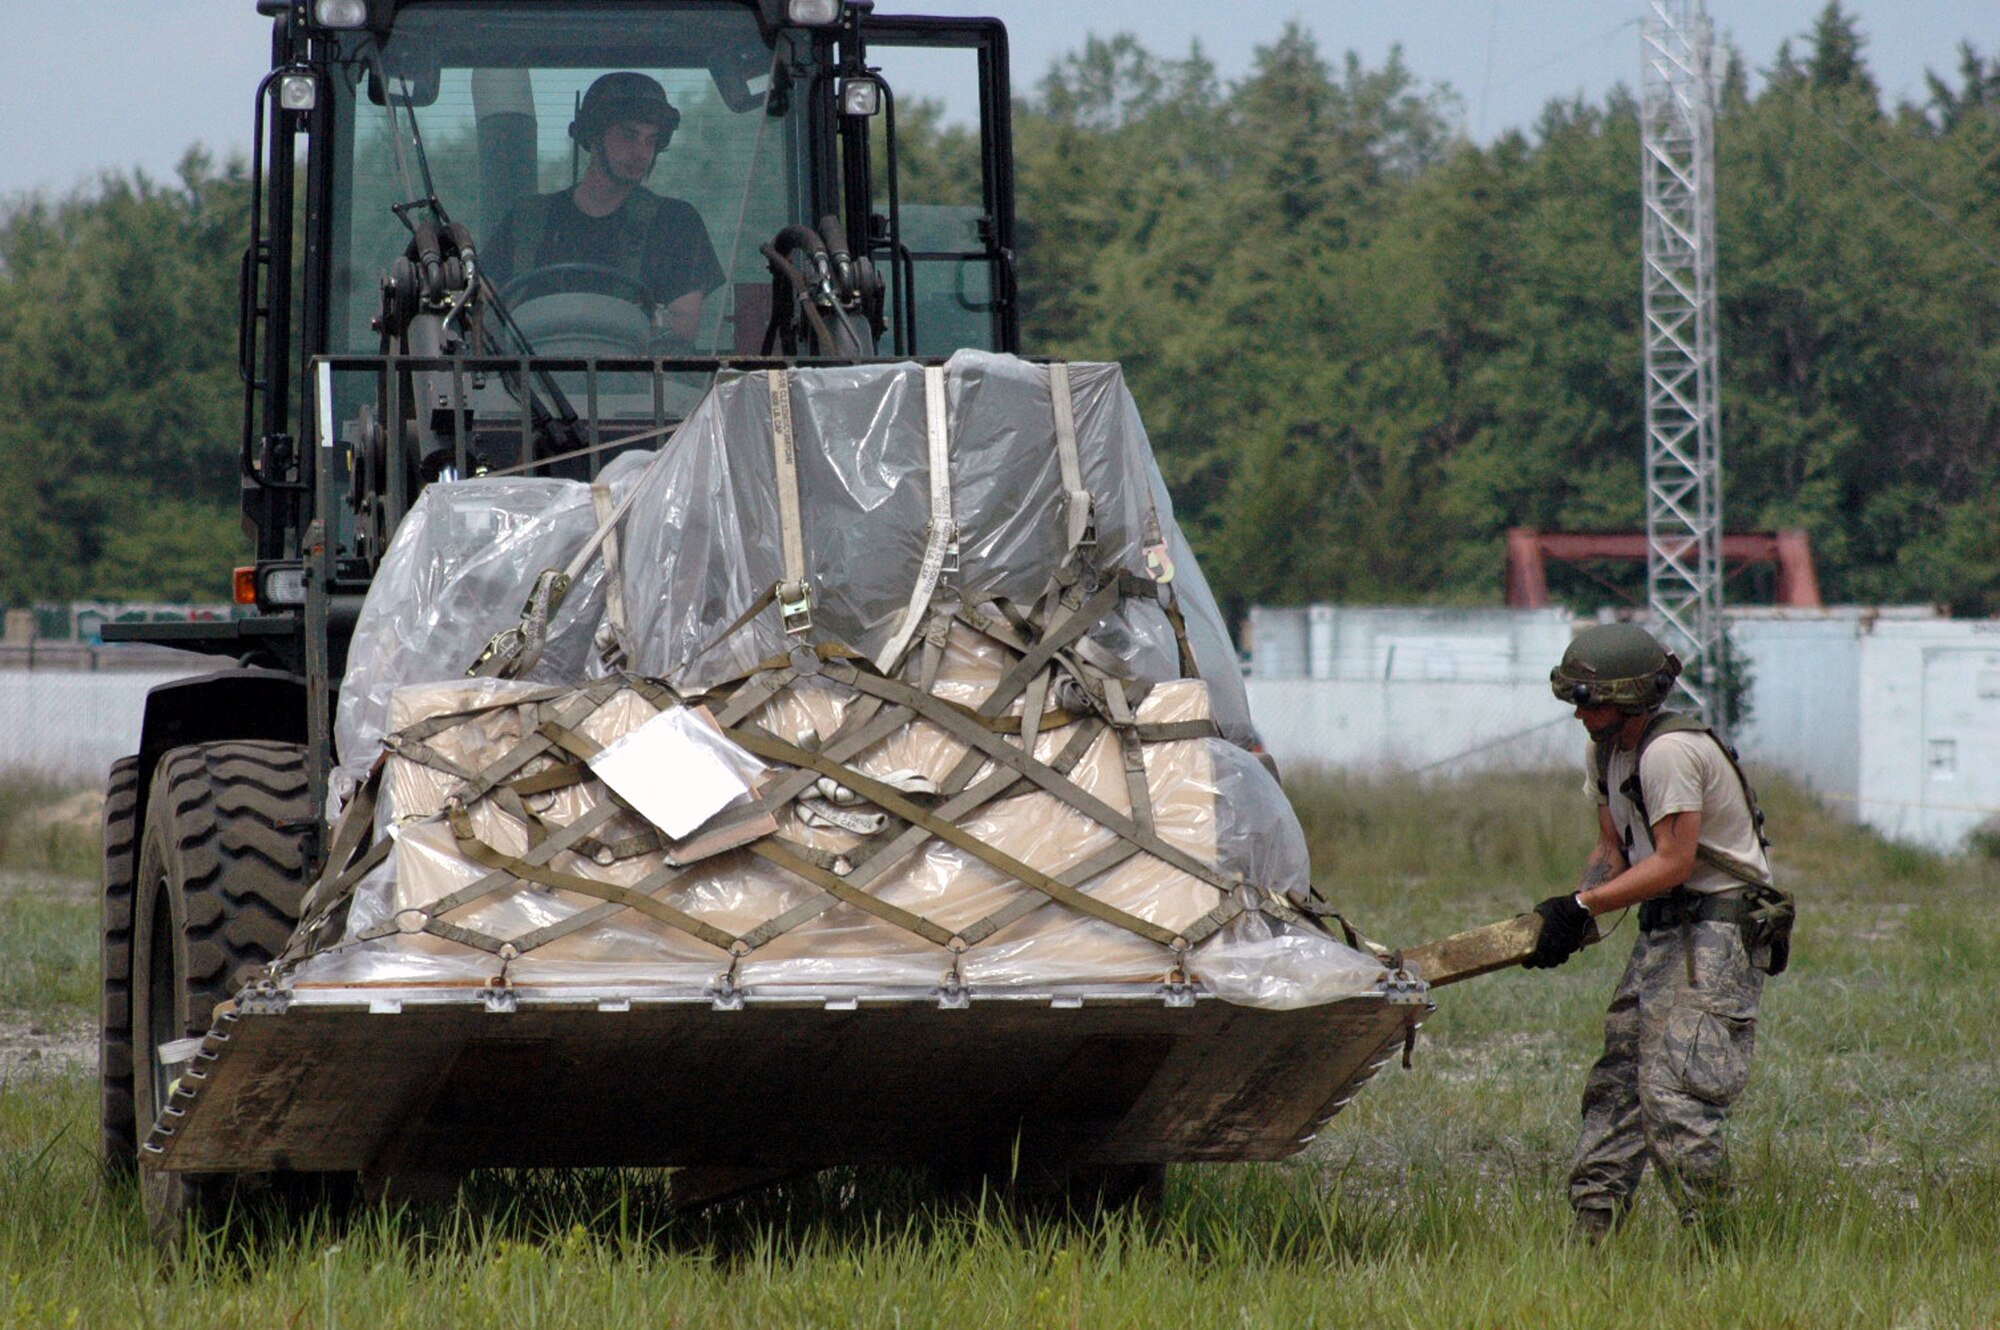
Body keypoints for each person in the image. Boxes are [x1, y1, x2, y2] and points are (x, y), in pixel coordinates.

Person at [1524, 622, 1788, 1240]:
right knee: (1618, 1082)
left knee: (1676, 1090)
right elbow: (1612, 849)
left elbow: (1673, 861)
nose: (1583, 715)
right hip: (1666, 927)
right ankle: (1592, 1236)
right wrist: (1568, 920)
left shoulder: (1670, 752)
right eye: (1578, 701)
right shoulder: (1607, 751)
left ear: (1633, 697)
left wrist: (1584, 905)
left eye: (1594, 702)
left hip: (1718, 929)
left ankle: (1714, 1244)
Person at [484, 72, 725, 345]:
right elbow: (484, 317)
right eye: (628, 136)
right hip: (526, 384)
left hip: (645, 385)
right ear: (595, 135)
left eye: (651, 141)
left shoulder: (675, 224)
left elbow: (683, 326)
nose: (641, 153)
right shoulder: (526, 220)